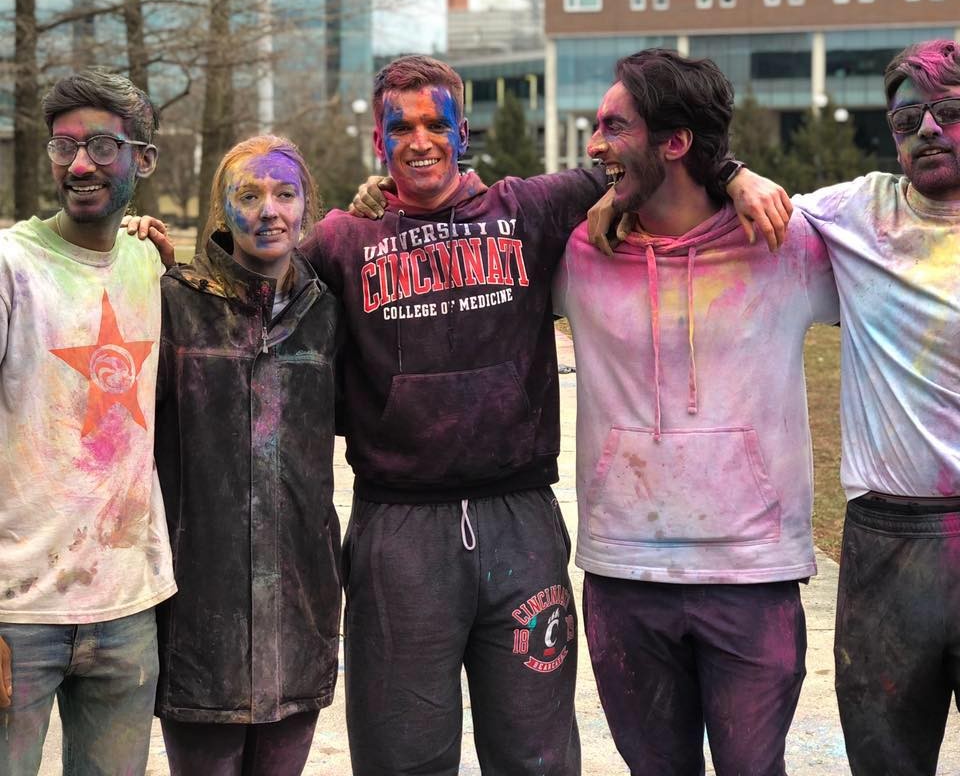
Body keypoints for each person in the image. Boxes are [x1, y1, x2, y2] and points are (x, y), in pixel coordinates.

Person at [318, 53, 788, 775]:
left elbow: (655, 154)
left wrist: (736, 173)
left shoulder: (528, 209)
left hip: (520, 523)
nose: (419, 142)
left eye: (435, 124)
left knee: (537, 756)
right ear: (379, 142)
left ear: (462, 131)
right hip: (398, 528)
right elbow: (262, 271)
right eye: (400, 128)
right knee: (400, 756)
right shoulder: (345, 241)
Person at [553, 49, 839, 776]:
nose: (595, 145)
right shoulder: (581, 252)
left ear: (675, 142)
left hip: (752, 575)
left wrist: (737, 172)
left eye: (615, 126)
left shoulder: (789, 241)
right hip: (623, 573)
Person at [791, 39, 960, 776]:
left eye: (950, 111)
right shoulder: (855, 212)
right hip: (887, 542)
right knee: (885, 761)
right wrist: (734, 178)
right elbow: (726, 218)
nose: (928, 130)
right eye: (907, 118)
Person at [0, 69, 176, 775]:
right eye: (64, 146)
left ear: (144, 160)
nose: (79, 165)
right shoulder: (12, 266)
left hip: (128, 610)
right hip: (17, 615)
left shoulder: (151, 264)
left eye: (103, 146)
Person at [150, 134, 341, 775]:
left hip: (299, 616)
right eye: (249, 195)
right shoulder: (173, 304)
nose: (269, 211)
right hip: (200, 620)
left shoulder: (328, 316)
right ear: (220, 210)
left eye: (285, 194)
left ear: (306, 207)